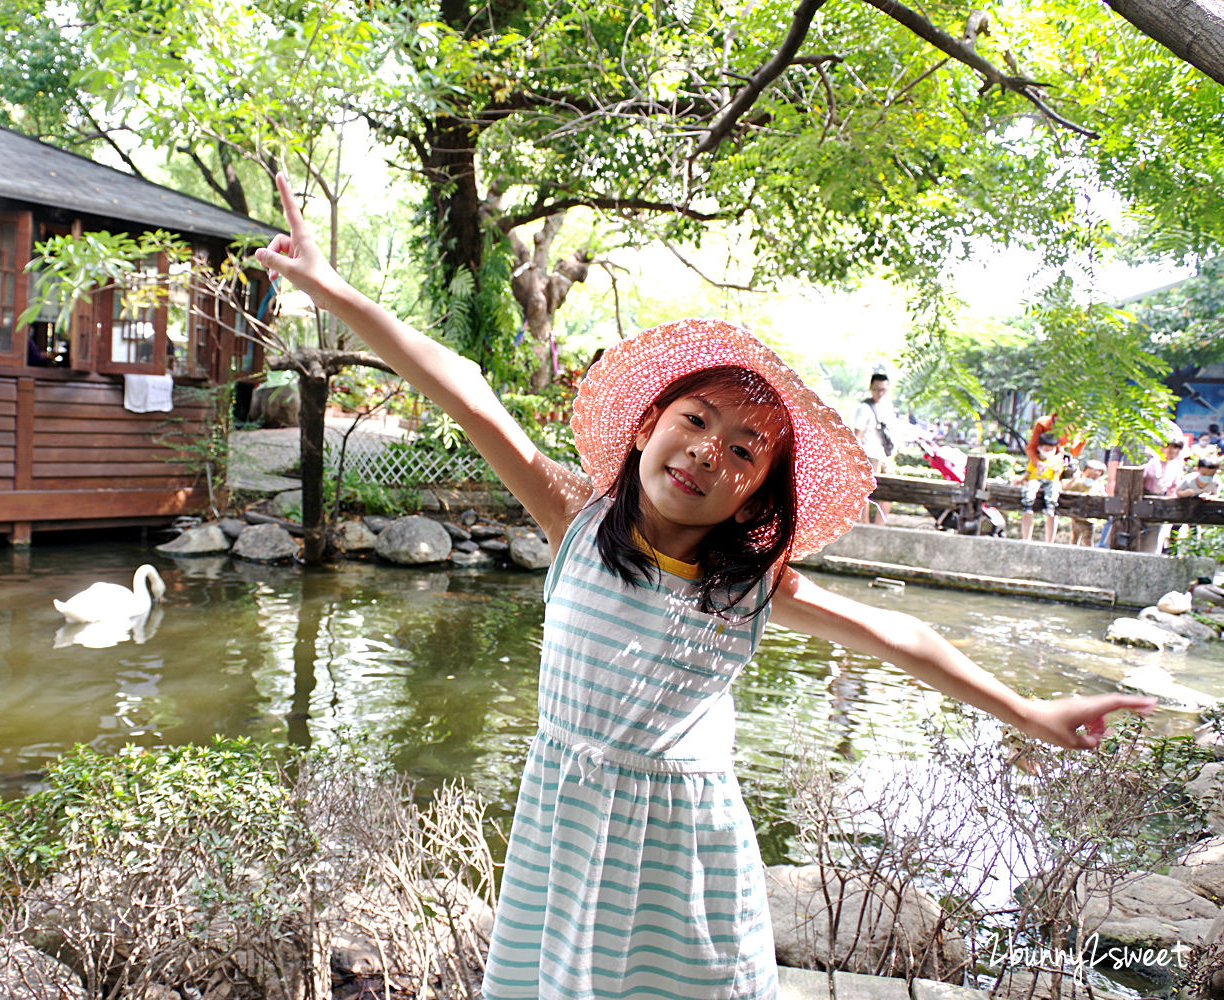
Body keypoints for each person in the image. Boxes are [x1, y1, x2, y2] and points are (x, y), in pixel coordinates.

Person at [254, 172, 1155, 1000]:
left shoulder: (752, 589)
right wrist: (333, 290)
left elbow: (900, 637)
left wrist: (1029, 713)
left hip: (685, 853)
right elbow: (465, 390)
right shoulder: (574, 519)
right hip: (566, 830)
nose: (705, 451)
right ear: (649, 424)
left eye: (742, 450)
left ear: (758, 491)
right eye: (695, 420)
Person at [853, 373, 897, 523]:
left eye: (883, 390)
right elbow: (858, 434)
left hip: (884, 456)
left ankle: (880, 525)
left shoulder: (888, 407)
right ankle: (865, 524)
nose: (880, 393)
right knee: (866, 493)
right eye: (877, 389)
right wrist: (857, 458)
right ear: (871, 388)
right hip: (869, 455)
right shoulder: (864, 408)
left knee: (890, 491)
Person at [1140, 435, 1188, 554]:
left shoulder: (1176, 466)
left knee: (1154, 539)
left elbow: (1174, 487)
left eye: (1176, 448)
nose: (1172, 451)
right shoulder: (1152, 463)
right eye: (1168, 447)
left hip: (1161, 503)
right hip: (1143, 500)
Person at [1019, 433, 1065, 543]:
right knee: (1031, 486)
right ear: (1039, 448)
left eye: (1051, 449)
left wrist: (1057, 470)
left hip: (1051, 481)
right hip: (1035, 480)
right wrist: (1020, 480)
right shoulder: (1035, 460)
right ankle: (1028, 504)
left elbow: (1059, 472)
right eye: (1046, 449)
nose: (1048, 451)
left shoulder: (1056, 460)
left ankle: (1050, 506)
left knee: (1053, 489)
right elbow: (1027, 473)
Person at [1064, 460, 1107, 546]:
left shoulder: (1098, 485)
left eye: (1095, 477)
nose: (1091, 478)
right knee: (1075, 538)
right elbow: (1066, 490)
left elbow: (1103, 496)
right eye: (1089, 476)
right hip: (1076, 516)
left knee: (1087, 539)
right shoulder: (1079, 483)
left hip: (1089, 518)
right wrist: (1074, 479)